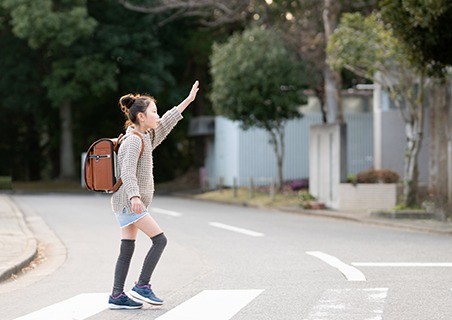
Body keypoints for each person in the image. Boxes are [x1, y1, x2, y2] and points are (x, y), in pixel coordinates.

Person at [108, 81, 200, 310]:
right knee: (160, 240)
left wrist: (187, 101)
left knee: (127, 247)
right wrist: (135, 197)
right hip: (130, 204)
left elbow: (167, 121)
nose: (157, 116)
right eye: (153, 112)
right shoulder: (132, 141)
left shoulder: (146, 137)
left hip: (126, 204)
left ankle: (117, 295)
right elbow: (127, 171)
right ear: (141, 117)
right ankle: (142, 285)